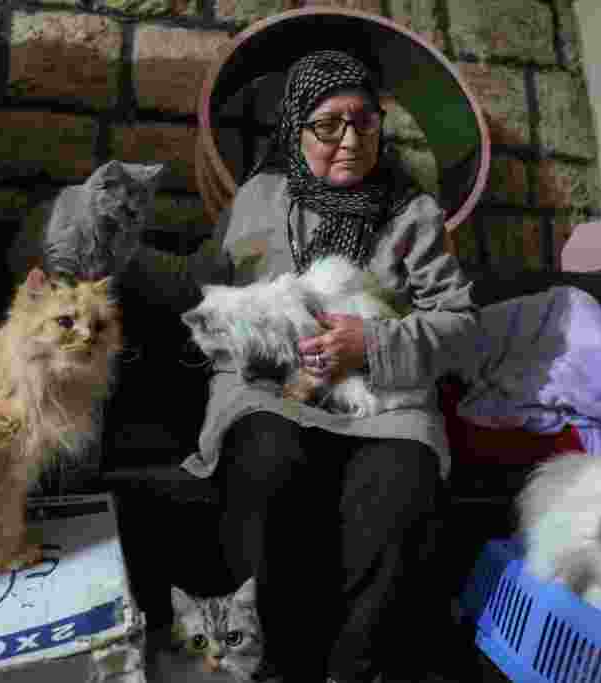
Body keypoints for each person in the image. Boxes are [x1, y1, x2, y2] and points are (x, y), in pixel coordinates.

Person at [131, 50, 479, 683]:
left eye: (365, 123)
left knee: (402, 483)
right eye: (327, 126)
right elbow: (202, 287)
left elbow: (459, 325)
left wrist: (370, 343)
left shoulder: (413, 213)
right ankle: (273, 666)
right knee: (264, 459)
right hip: (272, 390)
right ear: (294, 128)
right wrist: (126, 259)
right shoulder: (259, 198)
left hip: (380, 398)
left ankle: (355, 669)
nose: (350, 141)